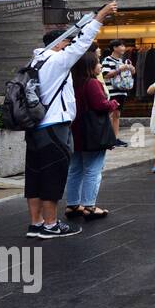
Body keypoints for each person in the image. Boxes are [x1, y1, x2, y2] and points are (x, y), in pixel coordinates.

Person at [22, 2, 117, 239]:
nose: (70, 48)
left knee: (34, 177)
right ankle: (51, 225)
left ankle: (36, 224)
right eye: (67, 43)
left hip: (33, 128)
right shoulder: (56, 61)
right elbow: (83, 43)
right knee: (53, 177)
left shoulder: (34, 61)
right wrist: (101, 17)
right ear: (60, 44)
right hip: (53, 128)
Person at [63, 51, 119, 221]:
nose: (100, 65)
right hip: (93, 133)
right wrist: (113, 103)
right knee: (93, 170)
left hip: (74, 130)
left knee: (75, 169)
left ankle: (72, 205)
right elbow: (100, 105)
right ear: (89, 66)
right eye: (97, 62)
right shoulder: (92, 83)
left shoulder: (70, 82)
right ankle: (89, 206)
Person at [100, 40, 135, 144]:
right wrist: (120, 69)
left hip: (122, 91)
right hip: (112, 92)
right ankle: (109, 138)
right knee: (110, 114)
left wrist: (131, 69)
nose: (123, 48)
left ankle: (115, 138)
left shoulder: (122, 61)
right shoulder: (107, 60)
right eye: (121, 46)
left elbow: (130, 74)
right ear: (114, 48)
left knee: (117, 115)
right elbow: (105, 74)